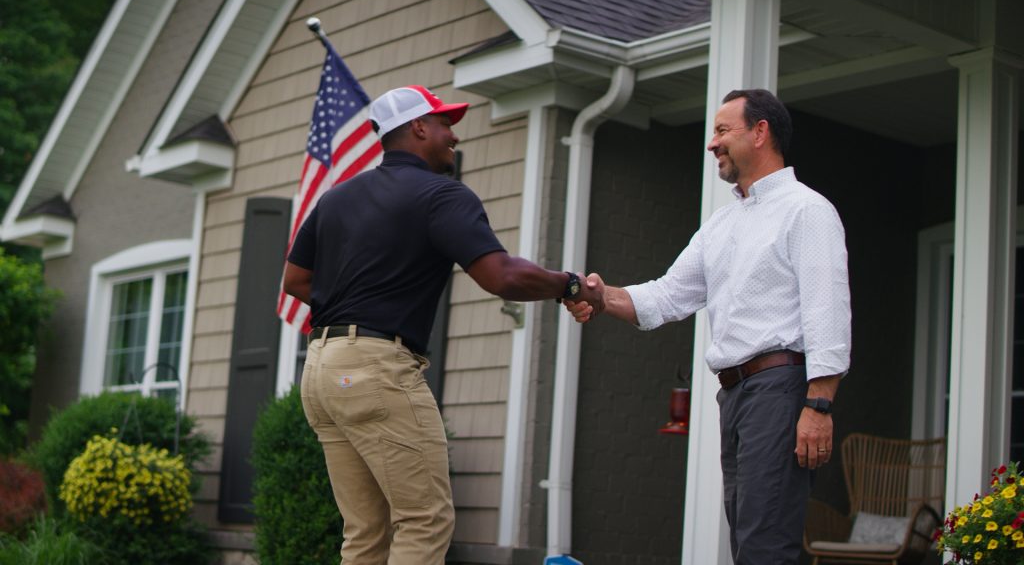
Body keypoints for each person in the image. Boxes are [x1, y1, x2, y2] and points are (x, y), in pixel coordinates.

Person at [283, 84, 603, 565]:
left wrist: (357, 312)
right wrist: (571, 285)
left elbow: (295, 279)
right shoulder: (441, 195)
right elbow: (502, 276)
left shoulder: (336, 198)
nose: (453, 135)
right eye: (444, 124)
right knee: (425, 519)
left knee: (364, 531)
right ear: (418, 128)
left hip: (322, 371)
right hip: (374, 370)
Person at [565, 89, 850, 564]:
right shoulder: (721, 224)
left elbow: (828, 311)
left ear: (760, 133)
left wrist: (818, 405)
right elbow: (668, 295)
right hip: (735, 397)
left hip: (779, 390)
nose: (711, 144)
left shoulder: (808, 210)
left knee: (765, 545)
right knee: (746, 538)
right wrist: (600, 295)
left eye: (722, 131)